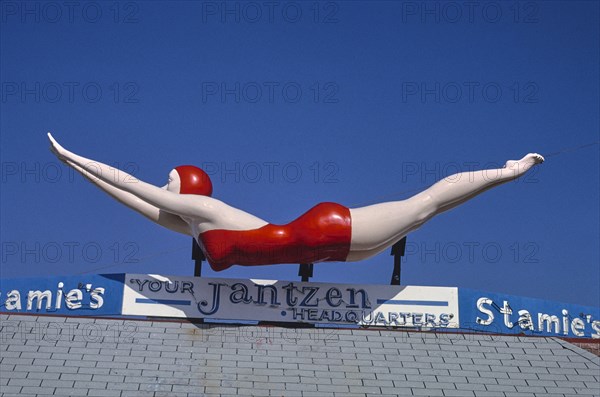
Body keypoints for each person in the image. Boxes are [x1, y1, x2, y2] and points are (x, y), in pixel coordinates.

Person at [48, 133, 544, 271]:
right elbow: (136, 201)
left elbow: (137, 187)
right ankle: (503, 176)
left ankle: (509, 170)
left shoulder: (207, 214)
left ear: (187, 190)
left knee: (425, 203)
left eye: (169, 181)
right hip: (342, 253)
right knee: (424, 214)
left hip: (323, 232)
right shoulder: (198, 230)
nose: (163, 188)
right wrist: (76, 170)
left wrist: (77, 155)